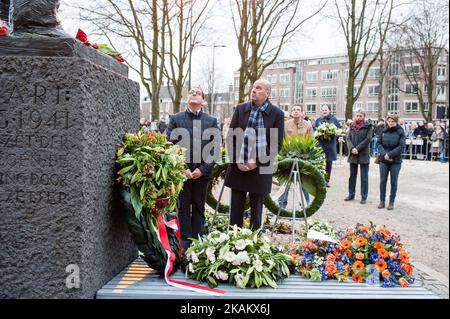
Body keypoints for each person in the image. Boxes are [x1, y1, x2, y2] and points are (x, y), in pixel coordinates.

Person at [224, 79, 284, 230]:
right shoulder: (240, 109)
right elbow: (231, 137)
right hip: (239, 167)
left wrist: (256, 162)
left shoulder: (277, 114)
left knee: (257, 212)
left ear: (267, 93)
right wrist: (237, 160)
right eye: (253, 87)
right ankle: (233, 241)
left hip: (260, 168)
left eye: (258, 88)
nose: (254, 90)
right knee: (235, 210)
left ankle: (254, 244)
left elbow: (276, 144)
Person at [166, 86, 220, 250]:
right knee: (183, 207)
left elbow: (215, 148)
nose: (194, 93)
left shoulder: (211, 121)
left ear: (203, 100)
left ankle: (198, 243)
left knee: (198, 206)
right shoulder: (176, 119)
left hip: (202, 174)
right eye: (191, 92)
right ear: (187, 98)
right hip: (182, 174)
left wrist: (202, 169)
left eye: (198, 92)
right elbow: (170, 144)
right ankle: (185, 242)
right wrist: (182, 168)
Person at [278, 104, 314, 209]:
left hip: (303, 158)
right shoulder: (285, 124)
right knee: (285, 182)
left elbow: (311, 142)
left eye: (298, 110)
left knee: (303, 183)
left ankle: (305, 206)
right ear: (291, 112)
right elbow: (281, 140)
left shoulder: (308, 125)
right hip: (287, 157)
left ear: (302, 113)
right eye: (293, 109)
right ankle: (281, 206)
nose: (295, 111)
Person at [376, 113, 406, 211]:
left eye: (392, 122)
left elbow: (401, 146)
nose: (390, 123)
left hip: (395, 161)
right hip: (383, 160)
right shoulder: (383, 130)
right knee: (382, 181)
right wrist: (384, 154)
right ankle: (382, 201)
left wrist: (390, 154)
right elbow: (379, 143)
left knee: (394, 182)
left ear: (396, 122)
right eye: (389, 121)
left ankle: (391, 202)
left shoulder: (401, 132)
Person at [344, 108, 373, 204]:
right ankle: (351, 194)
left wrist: (358, 148)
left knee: (364, 176)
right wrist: (352, 148)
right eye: (357, 115)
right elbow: (348, 139)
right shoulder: (352, 126)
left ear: (364, 116)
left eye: (360, 116)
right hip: (353, 154)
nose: (358, 117)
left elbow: (368, 139)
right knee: (352, 175)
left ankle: (364, 196)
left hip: (363, 153)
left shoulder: (368, 126)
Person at [314, 104, 341, 187]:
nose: (324, 111)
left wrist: (332, 133)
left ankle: (326, 180)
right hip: (320, 144)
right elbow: (315, 130)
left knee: (328, 163)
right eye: (323, 110)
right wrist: (319, 132)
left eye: (326, 110)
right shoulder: (318, 120)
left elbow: (338, 129)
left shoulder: (334, 119)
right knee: (319, 162)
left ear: (329, 110)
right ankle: (319, 179)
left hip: (329, 145)